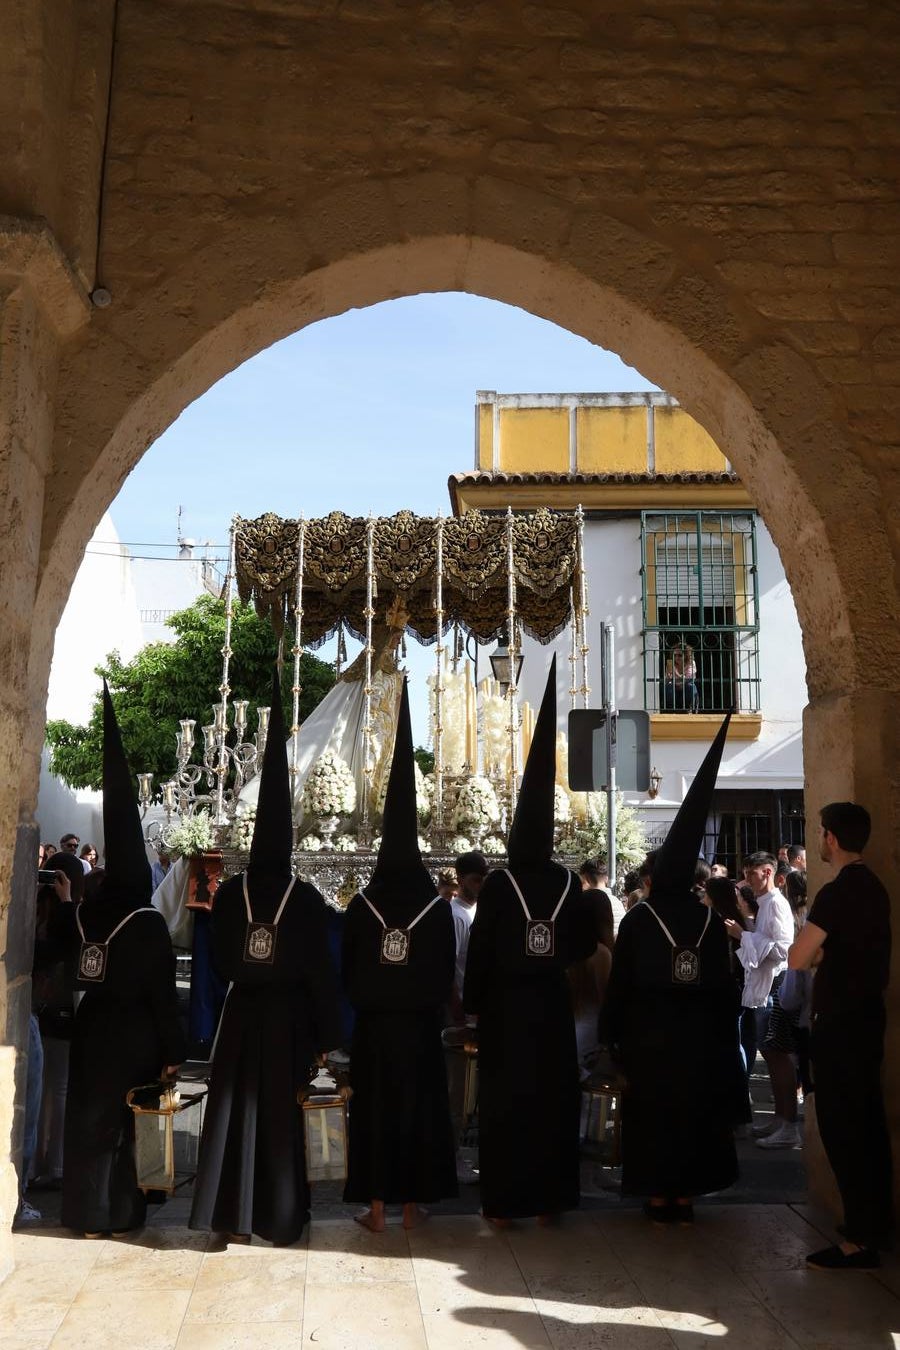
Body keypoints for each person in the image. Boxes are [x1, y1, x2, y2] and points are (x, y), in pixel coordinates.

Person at [190, 673, 344, 1245]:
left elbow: (213, 963)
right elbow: (319, 969)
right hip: (287, 1020)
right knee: (279, 1117)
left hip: (239, 1016)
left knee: (233, 1115)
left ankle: (227, 1217)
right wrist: (328, 1032)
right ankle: (279, 1218)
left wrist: (206, 1019)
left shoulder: (230, 894)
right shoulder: (303, 899)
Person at [464, 656, 595, 1226]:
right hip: (550, 1005)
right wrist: (559, 960)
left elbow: (482, 952)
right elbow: (586, 942)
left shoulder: (498, 886)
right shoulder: (569, 883)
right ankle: (551, 1204)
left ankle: (504, 1204)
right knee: (550, 1103)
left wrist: (472, 1004)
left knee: (507, 1105)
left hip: (504, 1010)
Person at [604, 714, 740, 1223]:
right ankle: (684, 1196)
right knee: (690, 1116)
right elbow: (723, 981)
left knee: (655, 1117)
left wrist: (612, 1033)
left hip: (650, 1036)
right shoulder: (708, 918)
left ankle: (658, 1196)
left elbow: (622, 979)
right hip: (698, 1036)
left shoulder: (640, 918)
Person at [61, 685, 186, 1237]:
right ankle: (120, 1213)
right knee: (126, 1125)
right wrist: (174, 1052)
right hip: (134, 1035)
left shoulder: (85, 914)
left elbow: (72, 966)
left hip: (92, 1028)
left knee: (88, 1122)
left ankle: (84, 1215)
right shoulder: (147, 922)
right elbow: (162, 996)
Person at [342, 680, 457, 1231]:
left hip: (373, 1030)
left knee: (375, 1114)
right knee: (418, 1115)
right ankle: (414, 1207)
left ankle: (378, 1208)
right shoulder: (435, 909)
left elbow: (348, 969)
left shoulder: (363, 906)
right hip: (419, 1031)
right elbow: (443, 974)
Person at [788, 801, 892, 1270]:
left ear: (831, 838)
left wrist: (817, 956)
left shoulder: (836, 893)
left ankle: (858, 1239)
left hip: (839, 1028)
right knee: (868, 1127)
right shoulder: (876, 889)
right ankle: (875, 1226)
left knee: (844, 1130)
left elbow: (796, 956)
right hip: (869, 1021)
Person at [724, 851, 795, 1146]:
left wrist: (743, 935)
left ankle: (789, 1123)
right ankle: (780, 1119)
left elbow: (783, 948)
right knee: (770, 1050)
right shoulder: (765, 904)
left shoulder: (776, 903)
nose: (747, 879)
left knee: (777, 1054)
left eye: (751, 873)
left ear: (767, 872)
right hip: (766, 984)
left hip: (775, 984)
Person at [30, 851, 84, 1190]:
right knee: (48, 1089)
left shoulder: (71, 913)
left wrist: (64, 902)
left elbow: (68, 949)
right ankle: (46, 1163)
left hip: (57, 1008)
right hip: (47, 1008)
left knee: (51, 1089)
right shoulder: (44, 911)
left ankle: (51, 1163)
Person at [449, 852, 487, 1023]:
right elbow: (448, 968)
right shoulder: (455, 915)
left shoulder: (480, 908)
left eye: (484, 879)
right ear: (460, 880)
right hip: (463, 1008)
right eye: (476, 880)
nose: (482, 885)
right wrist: (458, 1014)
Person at [579, 858, 625, 940]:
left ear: (586, 881)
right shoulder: (618, 902)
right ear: (606, 879)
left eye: (581, 883)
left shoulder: (586, 904)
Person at [662, 643, 698, 711]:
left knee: (691, 686)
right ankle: (672, 710)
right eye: (675, 655)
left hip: (686, 688)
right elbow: (667, 681)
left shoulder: (691, 663)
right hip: (675, 688)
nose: (676, 657)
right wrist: (668, 677)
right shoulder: (671, 664)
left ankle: (689, 710)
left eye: (680, 655)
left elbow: (688, 678)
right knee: (668, 686)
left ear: (686, 655)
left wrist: (675, 672)